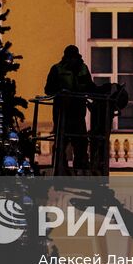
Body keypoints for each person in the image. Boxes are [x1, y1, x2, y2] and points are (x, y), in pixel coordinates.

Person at [45, 45, 94, 173]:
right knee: (62, 142)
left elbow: (89, 86)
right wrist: (61, 92)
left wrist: (101, 90)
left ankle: (81, 167)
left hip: (78, 113)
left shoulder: (83, 69)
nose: (72, 60)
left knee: (81, 142)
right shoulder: (57, 69)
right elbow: (48, 89)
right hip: (62, 112)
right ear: (66, 57)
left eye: (74, 57)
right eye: (70, 57)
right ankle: (61, 167)